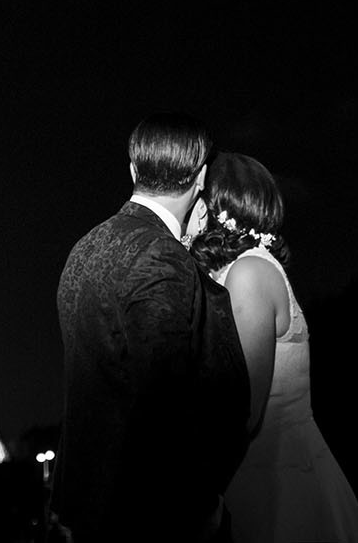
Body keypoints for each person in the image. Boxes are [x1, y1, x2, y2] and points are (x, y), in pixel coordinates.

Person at [51, 113, 251, 542]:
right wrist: (199, 501)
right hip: (150, 509)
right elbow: (168, 399)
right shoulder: (162, 255)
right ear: (199, 178)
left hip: (89, 500)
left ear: (133, 171)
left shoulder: (84, 249)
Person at [190, 152, 358, 543]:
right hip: (263, 470)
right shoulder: (245, 269)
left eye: (197, 195)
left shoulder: (250, 274)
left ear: (217, 205)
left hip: (274, 481)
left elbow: (242, 407)